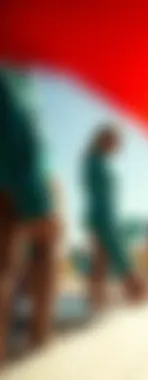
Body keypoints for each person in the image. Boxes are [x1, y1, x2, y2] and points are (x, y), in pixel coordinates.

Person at [0, 65, 60, 363]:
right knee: (41, 253)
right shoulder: (15, 67)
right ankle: (41, 342)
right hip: (22, 176)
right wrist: (36, 198)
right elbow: (21, 120)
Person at [82, 125, 146, 310]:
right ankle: (138, 295)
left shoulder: (97, 159)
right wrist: (106, 223)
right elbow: (99, 195)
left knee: (101, 263)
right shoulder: (94, 160)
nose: (118, 147)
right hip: (103, 217)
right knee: (119, 258)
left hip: (103, 215)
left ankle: (96, 304)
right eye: (117, 142)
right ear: (106, 139)